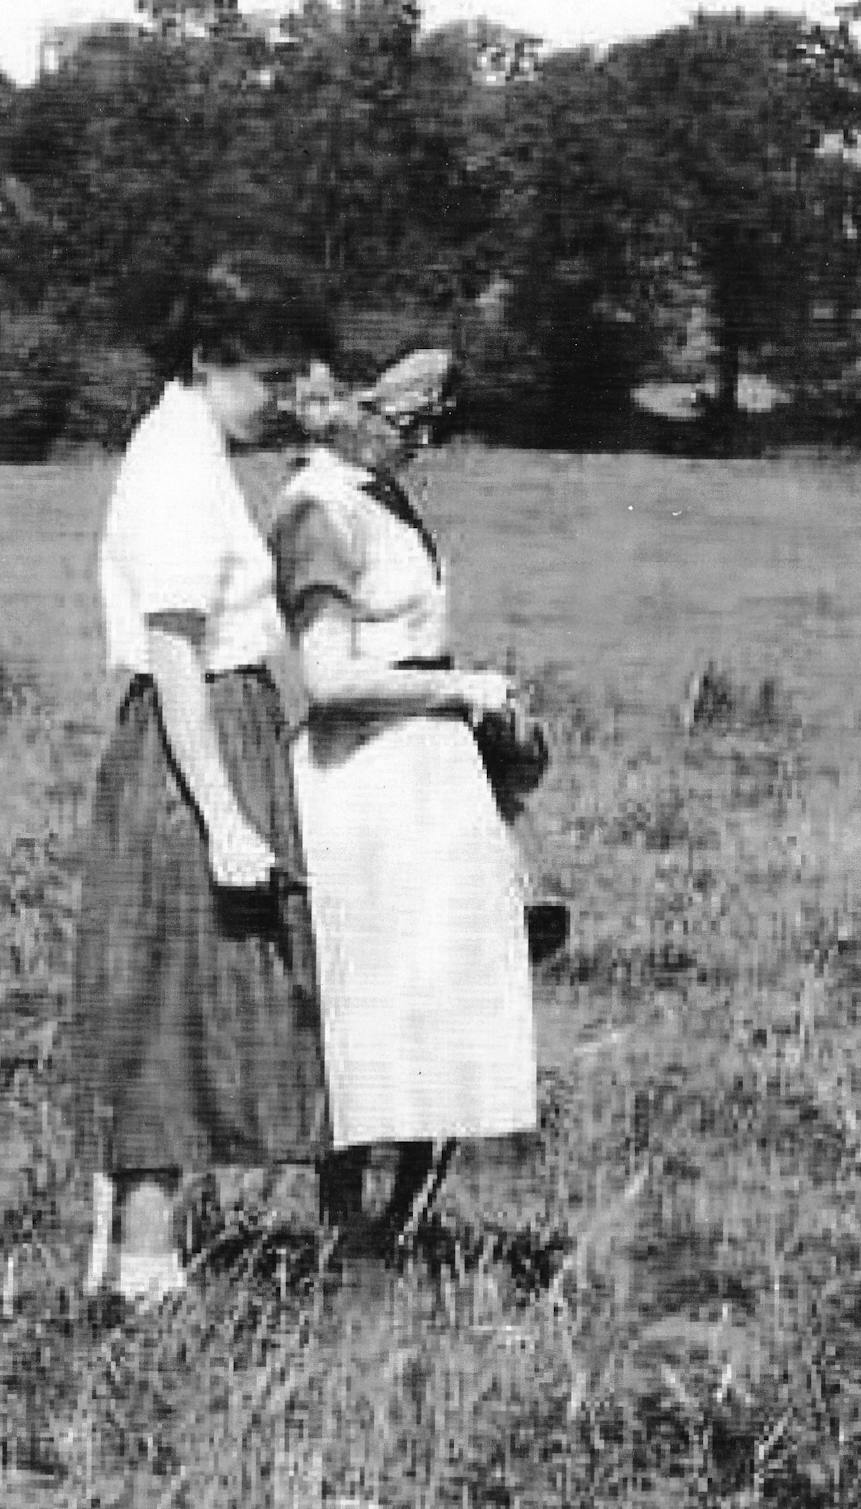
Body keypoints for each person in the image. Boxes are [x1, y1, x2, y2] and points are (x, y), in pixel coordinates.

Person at [74, 264, 333, 1307]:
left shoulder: (192, 449)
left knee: (199, 990)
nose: (278, 402)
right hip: (195, 747)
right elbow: (174, 651)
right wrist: (224, 817)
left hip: (223, 730)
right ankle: (142, 1262)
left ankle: (141, 1249)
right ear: (204, 362)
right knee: (172, 995)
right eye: (267, 377)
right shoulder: (174, 463)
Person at [270, 365, 537, 1255]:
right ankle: (347, 1227)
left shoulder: (382, 498)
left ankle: (403, 1220)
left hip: (430, 776)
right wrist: (464, 688)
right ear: (347, 407)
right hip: (364, 787)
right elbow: (328, 677)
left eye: (431, 422)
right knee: (364, 1008)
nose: (422, 439)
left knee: (446, 996)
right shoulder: (318, 507)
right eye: (408, 421)